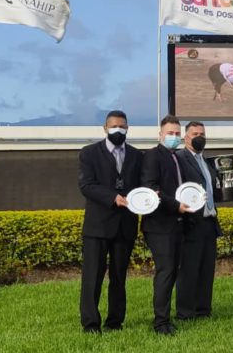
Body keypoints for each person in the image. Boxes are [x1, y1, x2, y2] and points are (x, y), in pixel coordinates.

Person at [78, 110, 143, 333]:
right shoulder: (89, 153)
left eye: (122, 126)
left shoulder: (137, 155)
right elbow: (86, 186)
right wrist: (112, 198)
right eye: (114, 126)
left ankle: (115, 321)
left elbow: (141, 187)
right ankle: (90, 323)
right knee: (92, 277)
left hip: (125, 226)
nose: (119, 130)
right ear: (105, 128)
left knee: (119, 277)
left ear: (128, 128)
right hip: (97, 226)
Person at [141, 115, 190, 335]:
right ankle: (161, 322)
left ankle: (166, 318)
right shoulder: (153, 156)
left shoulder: (177, 157)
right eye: (170, 133)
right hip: (160, 225)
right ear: (160, 135)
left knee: (172, 271)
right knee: (166, 271)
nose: (174, 137)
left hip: (177, 224)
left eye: (177, 133)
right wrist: (176, 205)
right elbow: (152, 189)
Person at [175, 121, 222, 320]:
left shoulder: (206, 161)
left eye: (202, 133)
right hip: (190, 221)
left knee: (206, 268)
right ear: (186, 137)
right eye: (195, 133)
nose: (199, 136)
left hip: (209, 222)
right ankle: (185, 312)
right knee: (188, 269)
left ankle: (203, 309)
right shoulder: (179, 158)